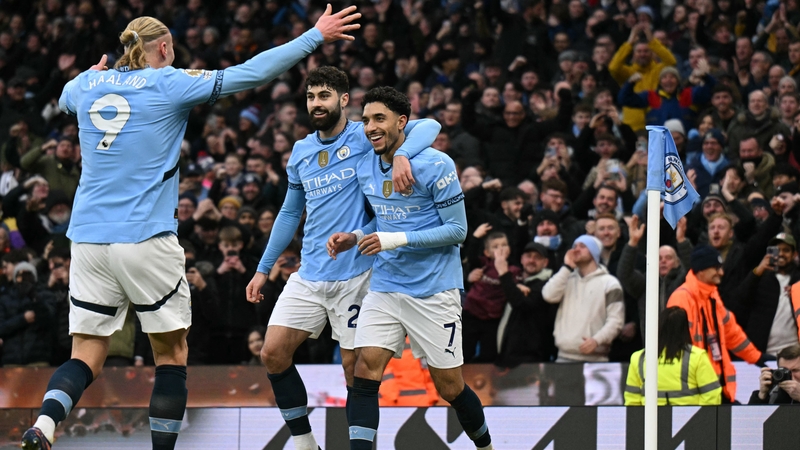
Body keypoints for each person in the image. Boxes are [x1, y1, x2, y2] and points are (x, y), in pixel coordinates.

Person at [22, 9, 363, 450]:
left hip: (87, 240)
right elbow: (251, 72)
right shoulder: (170, 81)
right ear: (163, 48)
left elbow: (67, 96)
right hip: (145, 237)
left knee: (85, 352)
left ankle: (45, 425)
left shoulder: (85, 85)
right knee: (171, 355)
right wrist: (313, 37)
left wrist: (91, 76)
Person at [244, 67, 441, 450]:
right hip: (310, 273)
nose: (316, 104)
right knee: (272, 353)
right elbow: (288, 214)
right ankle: (305, 443)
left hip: (358, 274)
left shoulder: (364, 136)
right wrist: (263, 269)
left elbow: (428, 126)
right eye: (311, 97)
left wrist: (403, 156)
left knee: (356, 373)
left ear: (344, 100)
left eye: (324, 96)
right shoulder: (301, 152)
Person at [326, 86, 493, 450]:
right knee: (363, 369)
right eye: (366, 119)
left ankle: (487, 447)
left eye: (379, 119)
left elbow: (458, 231)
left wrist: (395, 239)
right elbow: (384, 222)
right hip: (386, 286)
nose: (370, 126)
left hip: (434, 290)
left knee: (450, 387)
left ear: (402, 122)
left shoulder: (436, 164)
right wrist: (356, 236)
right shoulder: (365, 163)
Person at [667, 245, 767, 403]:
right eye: (716, 268)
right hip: (696, 388)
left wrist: (757, 357)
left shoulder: (712, 295)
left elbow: (731, 333)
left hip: (714, 385)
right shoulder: (682, 299)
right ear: (701, 270)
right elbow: (679, 346)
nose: (721, 272)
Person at [542, 235, 625, 362]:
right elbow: (548, 295)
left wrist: (597, 340)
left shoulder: (610, 283)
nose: (576, 250)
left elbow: (616, 321)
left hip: (596, 360)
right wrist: (567, 267)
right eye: (574, 246)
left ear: (594, 252)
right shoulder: (566, 278)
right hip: (563, 358)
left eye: (582, 246)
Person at [624, 307, 722, 405]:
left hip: (651, 420)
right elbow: (712, 396)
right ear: (684, 329)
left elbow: (632, 400)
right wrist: (696, 419)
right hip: (690, 418)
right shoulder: (697, 356)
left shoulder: (638, 358)